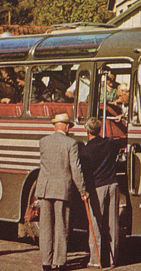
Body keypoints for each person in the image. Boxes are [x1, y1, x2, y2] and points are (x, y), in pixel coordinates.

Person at [36, 113, 88, 271]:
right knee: (61, 226)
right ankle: (59, 262)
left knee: (45, 227)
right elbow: (75, 169)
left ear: (54, 126)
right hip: (62, 189)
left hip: (44, 188)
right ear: (66, 126)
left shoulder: (43, 142)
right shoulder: (71, 143)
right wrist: (82, 190)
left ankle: (46, 262)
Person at [79, 118, 120, 268]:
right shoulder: (109, 143)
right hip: (113, 184)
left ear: (87, 130)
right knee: (113, 223)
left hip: (98, 187)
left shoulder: (86, 150)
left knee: (95, 223)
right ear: (99, 130)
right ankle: (113, 259)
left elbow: (85, 173)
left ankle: (95, 260)